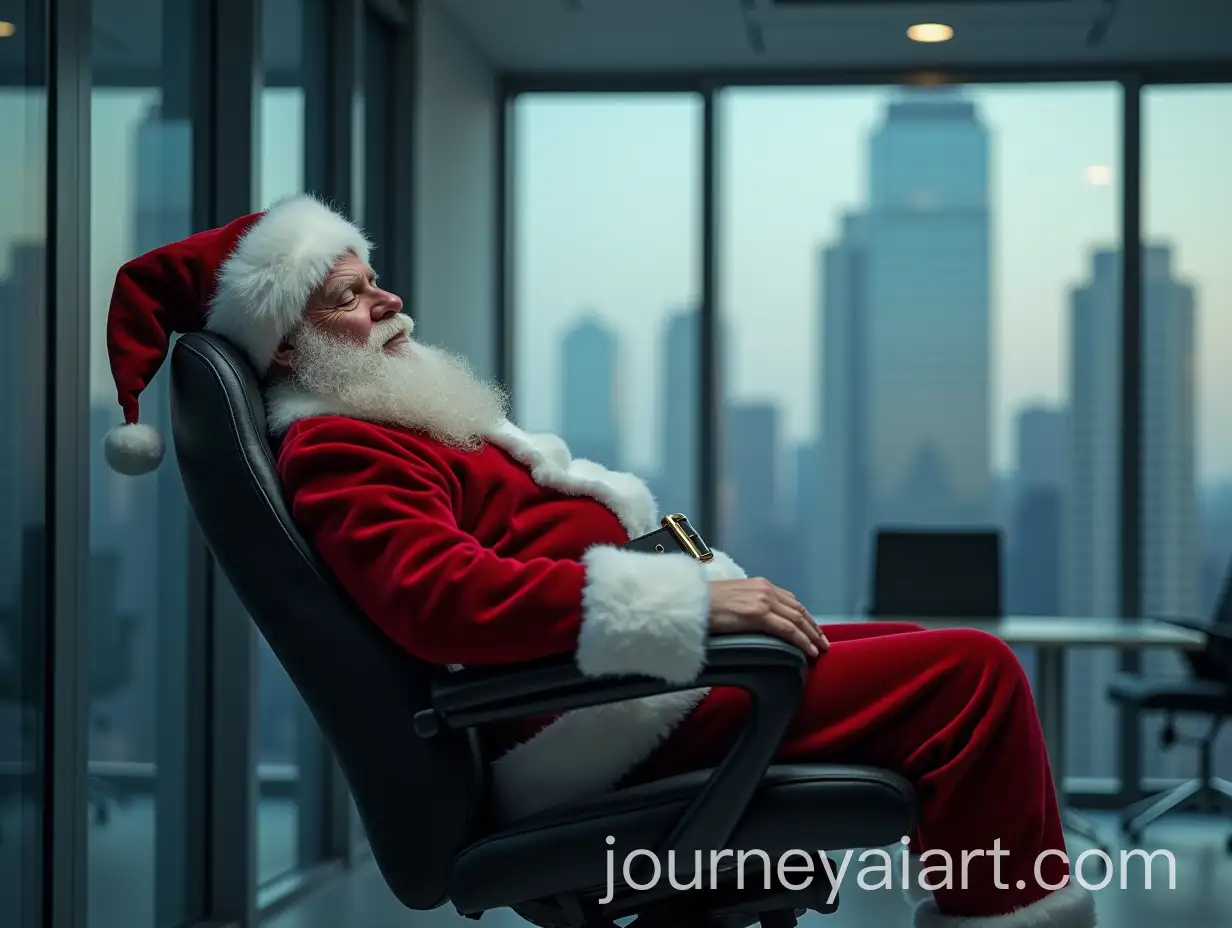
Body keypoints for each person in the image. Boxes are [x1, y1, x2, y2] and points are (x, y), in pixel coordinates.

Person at [100, 194, 1095, 928]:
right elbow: (439, 602)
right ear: (284, 347)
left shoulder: (402, 422)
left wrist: (703, 583)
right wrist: (694, 608)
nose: (390, 299)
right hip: (601, 720)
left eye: (373, 277)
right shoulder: (343, 446)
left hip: (627, 690)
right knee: (973, 676)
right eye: (354, 295)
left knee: (923, 650)